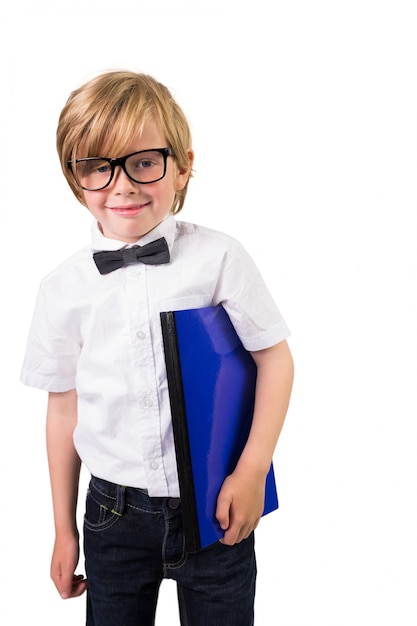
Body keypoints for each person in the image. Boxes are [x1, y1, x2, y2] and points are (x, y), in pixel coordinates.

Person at [20, 70, 294, 626]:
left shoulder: (219, 259)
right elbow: (63, 410)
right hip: (112, 516)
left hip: (216, 503)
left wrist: (251, 469)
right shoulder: (62, 287)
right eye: (98, 166)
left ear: (183, 165)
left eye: (144, 162)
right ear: (75, 180)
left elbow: (275, 359)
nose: (122, 185)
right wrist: (63, 527)